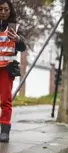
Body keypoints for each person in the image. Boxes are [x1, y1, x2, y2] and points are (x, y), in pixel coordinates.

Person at [0, 0, 26, 142]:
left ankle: (4, 130)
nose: (3, 12)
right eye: (1, 9)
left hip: (6, 69)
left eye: (6, 9)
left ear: (10, 11)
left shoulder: (15, 27)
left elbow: (23, 47)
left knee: (5, 101)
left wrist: (17, 39)